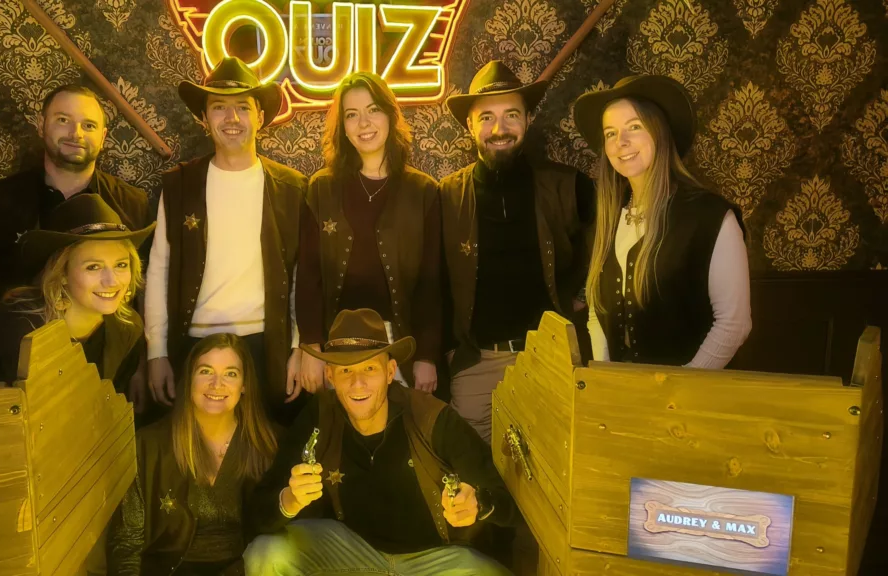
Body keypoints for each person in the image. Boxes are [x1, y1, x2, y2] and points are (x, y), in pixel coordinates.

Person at [243, 309, 518, 576]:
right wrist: (289, 500)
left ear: (390, 372)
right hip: (351, 553)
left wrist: (479, 504)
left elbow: (509, 503)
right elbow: (258, 511)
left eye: (369, 368)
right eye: (346, 371)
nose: (358, 383)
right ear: (330, 376)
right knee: (266, 554)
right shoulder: (320, 416)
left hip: (434, 558)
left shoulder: (433, 418)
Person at [144, 57, 307, 426]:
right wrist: (157, 352)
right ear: (204, 118)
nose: (231, 118)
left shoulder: (291, 187)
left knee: (267, 445)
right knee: (197, 449)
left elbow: (302, 274)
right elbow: (158, 271)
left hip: (267, 345)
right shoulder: (180, 185)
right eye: (219, 107)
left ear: (259, 117)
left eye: (242, 108)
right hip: (194, 345)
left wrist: (298, 346)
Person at [440, 60, 595, 442]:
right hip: (477, 363)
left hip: (552, 357)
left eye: (511, 115)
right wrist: (445, 353)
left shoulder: (568, 186)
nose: (500, 129)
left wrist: (580, 295)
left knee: (553, 465)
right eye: (487, 117)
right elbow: (431, 281)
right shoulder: (446, 196)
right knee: (473, 467)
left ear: (528, 119)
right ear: (469, 125)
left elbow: (608, 251)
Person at [572, 74, 751, 367]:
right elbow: (596, 310)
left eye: (634, 127)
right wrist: (604, 377)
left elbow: (734, 324)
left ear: (661, 134)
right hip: (619, 388)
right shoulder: (607, 218)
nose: (621, 142)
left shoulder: (710, 216)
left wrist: (679, 387)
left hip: (688, 391)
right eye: (610, 133)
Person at [296, 72, 441, 395]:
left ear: (390, 116)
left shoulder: (423, 191)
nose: (364, 123)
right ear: (343, 128)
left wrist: (427, 355)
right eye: (352, 114)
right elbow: (308, 276)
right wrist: (311, 346)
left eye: (373, 110)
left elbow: (431, 283)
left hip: (400, 345)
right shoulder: (322, 188)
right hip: (336, 345)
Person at [0, 194, 154, 394]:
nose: (112, 281)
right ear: (62, 273)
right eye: (93, 267)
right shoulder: (4, 333)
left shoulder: (126, 329)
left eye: (121, 265)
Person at [0, 85, 150, 311]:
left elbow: (142, 276)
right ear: (41, 125)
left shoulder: (133, 202)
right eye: (63, 120)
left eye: (89, 125)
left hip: (104, 331)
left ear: (103, 137)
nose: (76, 133)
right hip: (20, 329)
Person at [108, 333, 279, 576]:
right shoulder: (149, 444)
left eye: (231, 373)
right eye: (205, 371)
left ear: (244, 385)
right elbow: (127, 541)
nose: (217, 384)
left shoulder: (268, 444)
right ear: (189, 378)